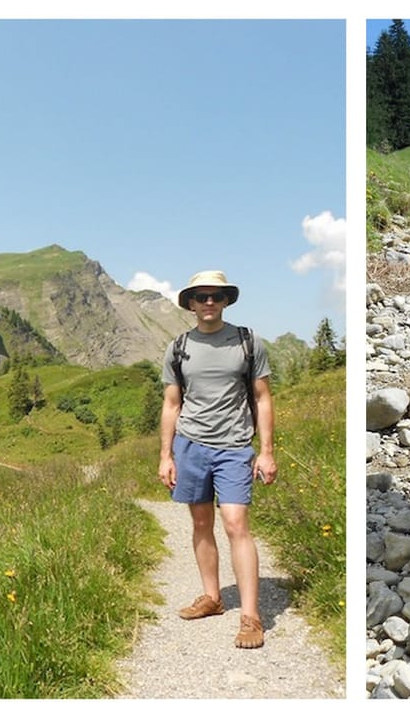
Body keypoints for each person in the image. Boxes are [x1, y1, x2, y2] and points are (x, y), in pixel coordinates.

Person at [158, 270, 277, 649]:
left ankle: (251, 617)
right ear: (190, 304)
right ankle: (212, 597)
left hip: (235, 446)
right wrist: (166, 455)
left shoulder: (247, 341)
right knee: (200, 521)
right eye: (201, 296)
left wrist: (268, 451)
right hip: (190, 445)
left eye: (216, 296)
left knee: (235, 522)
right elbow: (171, 403)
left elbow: (262, 397)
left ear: (226, 301)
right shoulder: (178, 347)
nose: (209, 302)